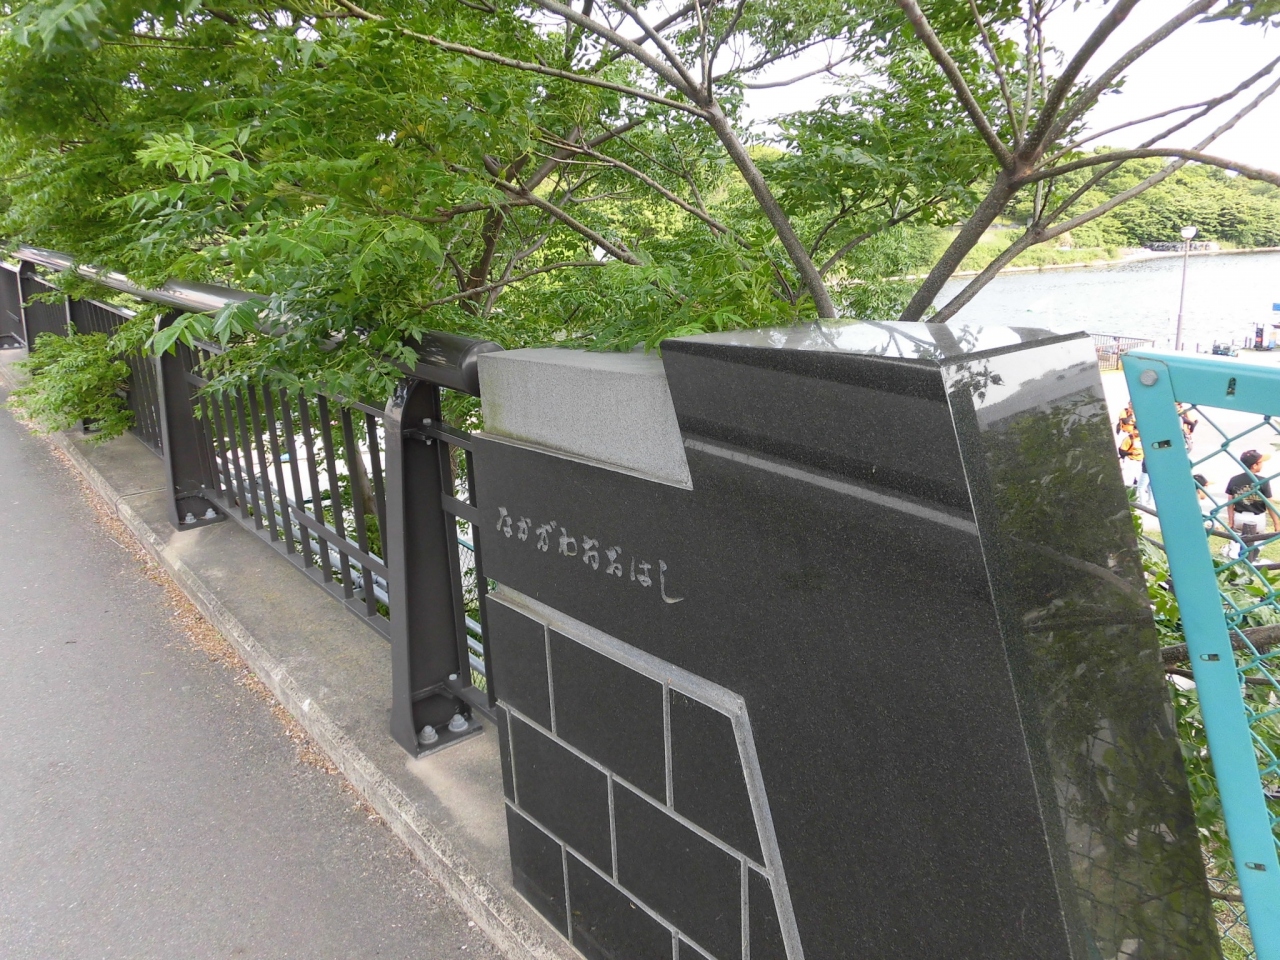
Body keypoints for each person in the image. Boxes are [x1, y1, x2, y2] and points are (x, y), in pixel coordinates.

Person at [1225, 450, 1279, 567]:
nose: (1262, 464)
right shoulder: (1263, 481)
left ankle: (1235, 557)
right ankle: (1249, 561)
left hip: (1239, 517)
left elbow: (1230, 502)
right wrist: (1276, 522)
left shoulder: (1234, 479)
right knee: (1258, 541)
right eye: (1260, 462)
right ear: (1254, 465)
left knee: (1238, 539)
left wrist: (1231, 520)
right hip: (1258, 518)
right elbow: (1269, 504)